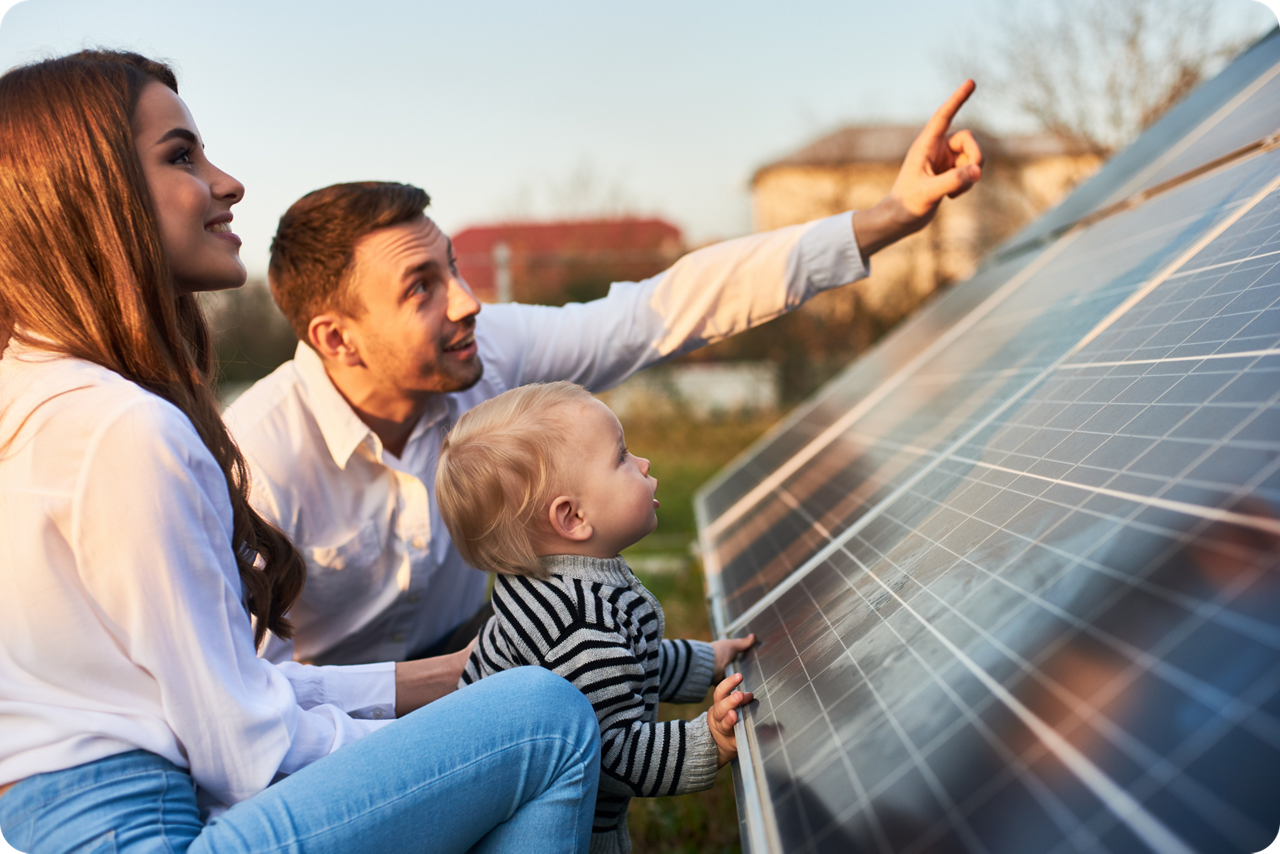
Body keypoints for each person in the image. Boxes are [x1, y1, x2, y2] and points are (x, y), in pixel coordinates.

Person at [0, 50, 601, 853]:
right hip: (147, 833)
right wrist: (457, 750)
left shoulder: (35, 397)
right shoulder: (123, 430)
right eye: (181, 156)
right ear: (90, 196)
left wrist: (452, 682)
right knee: (545, 720)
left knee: (509, 705)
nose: (228, 182)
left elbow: (229, 690)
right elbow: (246, 751)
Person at [226, 83, 984, 668]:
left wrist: (887, 217)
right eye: (421, 287)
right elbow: (251, 702)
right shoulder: (257, 461)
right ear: (338, 338)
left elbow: (663, 310)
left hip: (470, 656)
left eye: (452, 266)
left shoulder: (486, 352)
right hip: (329, 728)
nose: (467, 300)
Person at [435, 381, 756, 854]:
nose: (644, 464)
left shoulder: (559, 586)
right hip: (558, 828)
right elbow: (612, 753)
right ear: (572, 519)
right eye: (622, 458)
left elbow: (627, 665)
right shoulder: (578, 625)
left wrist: (705, 661)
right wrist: (707, 741)